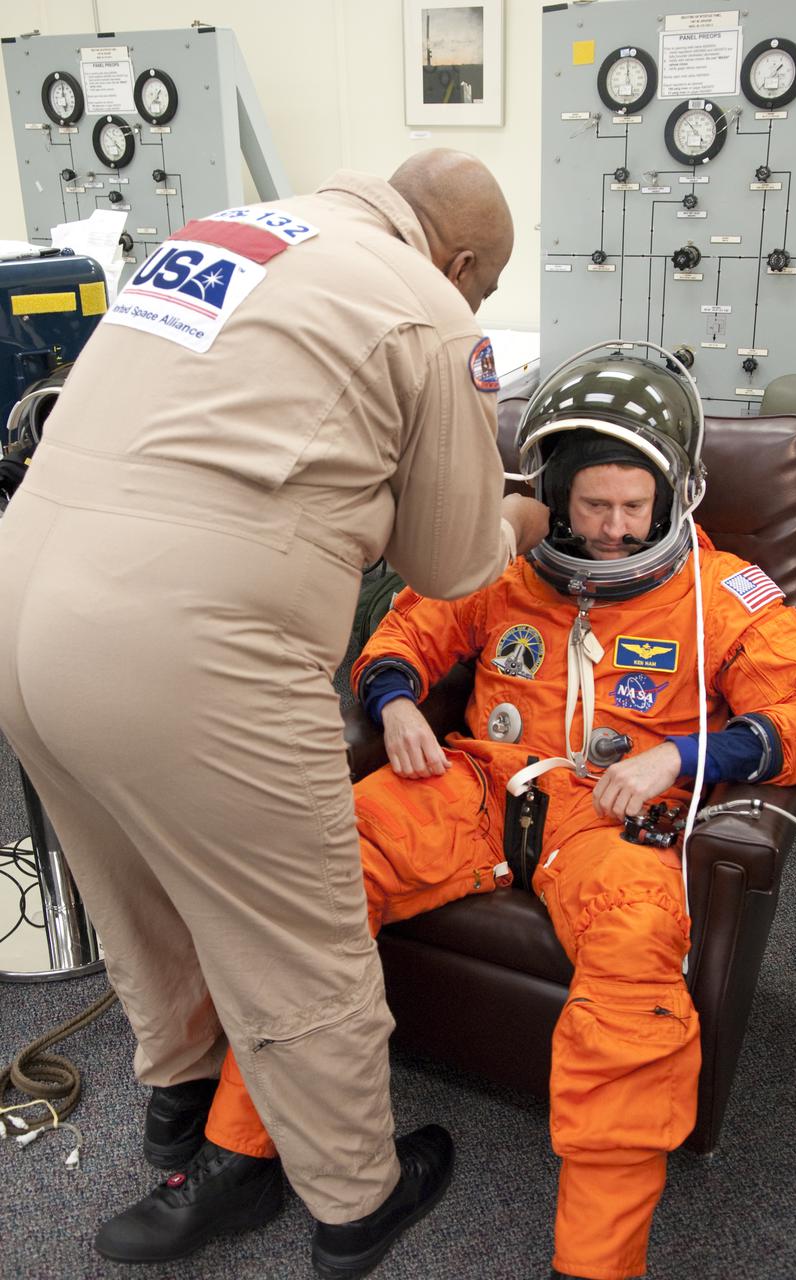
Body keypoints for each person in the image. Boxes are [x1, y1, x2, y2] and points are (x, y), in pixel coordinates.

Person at [124, 349, 796, 1279]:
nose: (616, 530)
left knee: (633, 981)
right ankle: (239, 1157)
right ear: (552, 491)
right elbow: (403, 636)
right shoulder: (503, 569)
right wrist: (393, 706)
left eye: (636, 508)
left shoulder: (723, 595)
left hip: (615, 813)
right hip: (472, 783)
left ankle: (594, 1263)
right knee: (311, 890)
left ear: (677, 496)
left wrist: (683, 754)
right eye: (593, 506)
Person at [0, 150, 550, 1277]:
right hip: (182, 643)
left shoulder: (226, 230)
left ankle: (178, 1100)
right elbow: (447, 563)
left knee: (133, 888)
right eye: (483, 284)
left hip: (23, 602)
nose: (475, 303)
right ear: (459, 261)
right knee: (302, 937)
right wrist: (520, 522)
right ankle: (356, 1198)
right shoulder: (430, 310)